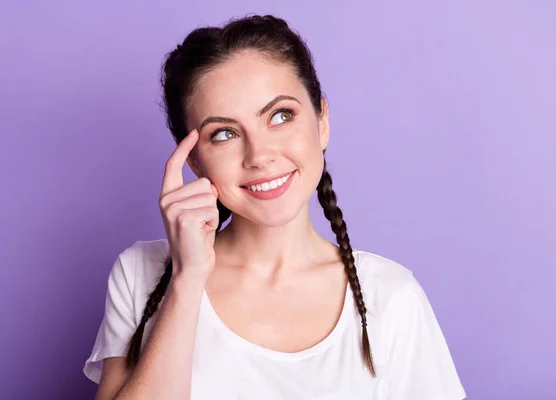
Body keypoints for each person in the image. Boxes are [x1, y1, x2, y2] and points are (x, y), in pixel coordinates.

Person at [83, 14, 467, 400]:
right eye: (225, 134)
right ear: (194, 161)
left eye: (280, 116)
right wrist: (187, 279)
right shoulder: (140, 274)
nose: (260, 156)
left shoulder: (392, 296)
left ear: (322, 120)